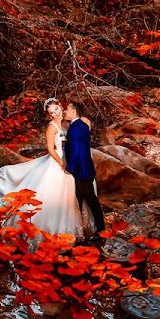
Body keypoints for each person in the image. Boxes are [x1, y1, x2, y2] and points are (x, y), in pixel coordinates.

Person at [0, 98, 95, 243]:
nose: (55, 114)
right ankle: (52, 228)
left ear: (60, 106)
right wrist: (62, 163)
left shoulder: (70, 121)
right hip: (58, 160)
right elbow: (50, 149)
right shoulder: (51, 127)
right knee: (53, 194)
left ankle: (80, 224)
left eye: (56, 110)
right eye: (51, 113)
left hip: (74, 160)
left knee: (75, 193)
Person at [62, 101, 106, 242]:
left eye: (67, 109)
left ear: (73, 112)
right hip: (84, 168)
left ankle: (101, 230)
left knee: (91, 200)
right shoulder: (80, 125)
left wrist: (70, 168)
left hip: (81, 170)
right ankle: (81, 229)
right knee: (79, 200)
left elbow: (77, 151)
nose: (65, 111)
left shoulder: (75, 128)